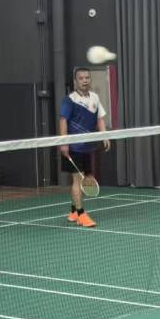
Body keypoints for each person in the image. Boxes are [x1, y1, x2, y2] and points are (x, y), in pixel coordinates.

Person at [58, 67, 110, 227]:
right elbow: (63, 120)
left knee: (86, 179)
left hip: (88, 146)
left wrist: (104, 135)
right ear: (76, 81)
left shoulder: (95, 97)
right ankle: (81, 214)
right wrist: (64, 142)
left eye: (87, 77)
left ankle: (74, 211)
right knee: (78, 179)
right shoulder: (70, 100)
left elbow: (100, 118)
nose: (85, 80)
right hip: (74, 146)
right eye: (81, 78)